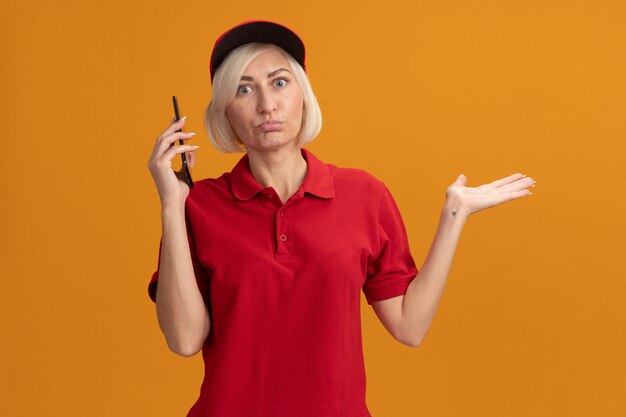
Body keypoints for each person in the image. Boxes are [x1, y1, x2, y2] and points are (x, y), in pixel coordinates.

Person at [146, 20, 535, 417]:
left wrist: (455, 214)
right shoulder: (199, 205)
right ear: (226, 112)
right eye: (244, 90)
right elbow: (184, 339)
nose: (267, 104)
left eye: (280, 82)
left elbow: (409, 326)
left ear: (303, 95)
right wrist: (171, 206)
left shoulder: (363, 195)